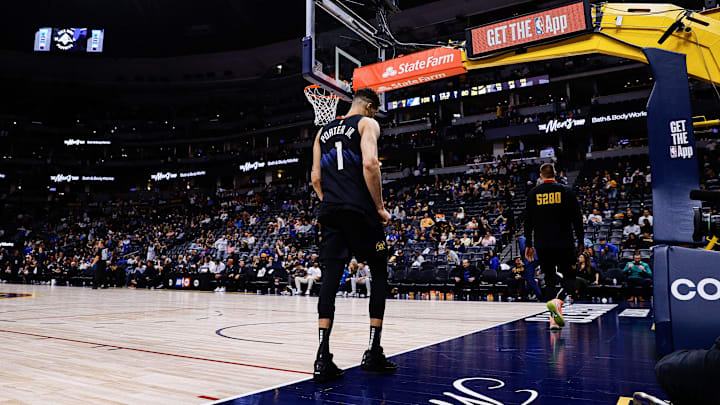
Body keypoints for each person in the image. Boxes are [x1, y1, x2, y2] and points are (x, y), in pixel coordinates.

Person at [310, 87, 396, 382]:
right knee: (380, 272)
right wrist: (381, 208)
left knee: (330, 280)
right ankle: (373, 352)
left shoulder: (321, 132)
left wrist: (331, 203)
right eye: (376, 110)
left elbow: (315, 178)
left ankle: (322, 359)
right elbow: (371, 164)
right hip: (360, 212)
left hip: (331, 212)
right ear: (370, 107)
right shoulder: (367, 124)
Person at [524, 163, 584, 330]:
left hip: (543, 244)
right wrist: (581, 241)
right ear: (556, 174)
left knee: (549, 280)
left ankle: (554, 319)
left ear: (541, 175)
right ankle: (558, 303)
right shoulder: (567, 191)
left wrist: (529, 244)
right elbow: (577, 219)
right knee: (570, 278)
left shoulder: (533, 193)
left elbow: (528, 222)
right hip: (564, 242)